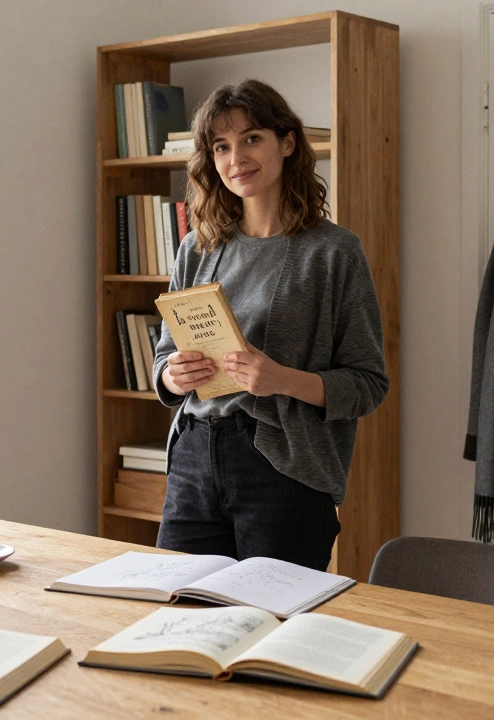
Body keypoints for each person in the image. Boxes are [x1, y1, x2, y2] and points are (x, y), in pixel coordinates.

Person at [152, 79, 388, 571]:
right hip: (194, 457)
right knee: (175, 620)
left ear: (287, 142)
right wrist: (172, 376)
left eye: (251, 138)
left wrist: (281, 379)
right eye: (221, 146)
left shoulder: (334, 252)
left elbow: (367, 385)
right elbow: (163, 359)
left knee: (272, 630)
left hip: (282, 467)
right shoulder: (196, 248)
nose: (236, 156)